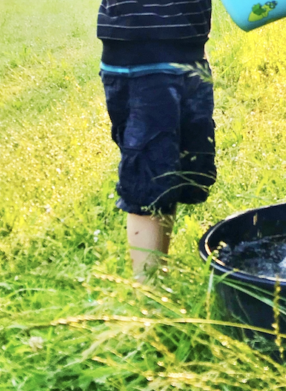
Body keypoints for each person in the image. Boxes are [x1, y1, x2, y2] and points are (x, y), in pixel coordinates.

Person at [97, 0, 216, 282]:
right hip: (141, 57)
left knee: (172, 172)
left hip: (188, 48)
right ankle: (148, 297)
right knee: (150, 178)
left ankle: (157, 277)